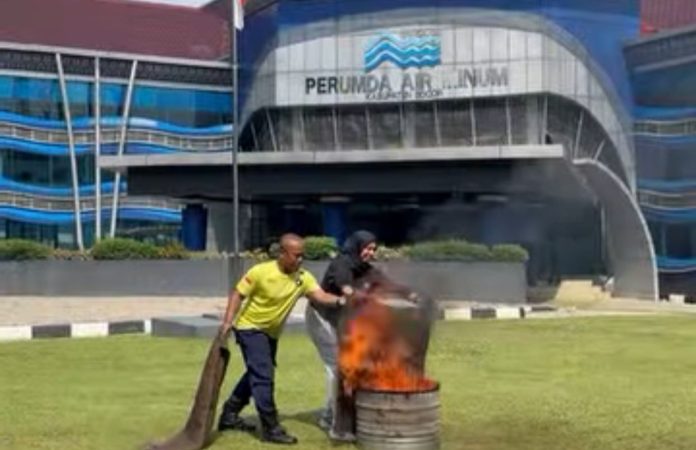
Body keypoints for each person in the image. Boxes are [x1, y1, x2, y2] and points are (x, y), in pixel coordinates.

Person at [217, 233, 347, 445]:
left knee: (255, 373)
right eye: (296, 255)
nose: (300, 259)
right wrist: (227, 321)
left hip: (271, 332)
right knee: (263, 376)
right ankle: (271, 428)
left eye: (302, 255)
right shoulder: (260, 272)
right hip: (249, 328)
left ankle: (229, 414)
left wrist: (341, 301)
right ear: (282, 254)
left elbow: (320, 296)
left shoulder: (303, 277)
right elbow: (238, 294)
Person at [305, 230, 415, 440]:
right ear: (357, 246)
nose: (370, 253)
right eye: (367, 248)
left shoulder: (364, 268)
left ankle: (334, 413)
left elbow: (387, 285)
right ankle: (334, 422)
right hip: (321, 317)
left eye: (373, 249)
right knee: (336, 367)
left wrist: (409, 293)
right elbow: (345, 289)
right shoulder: (342, 264)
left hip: (340, 319)